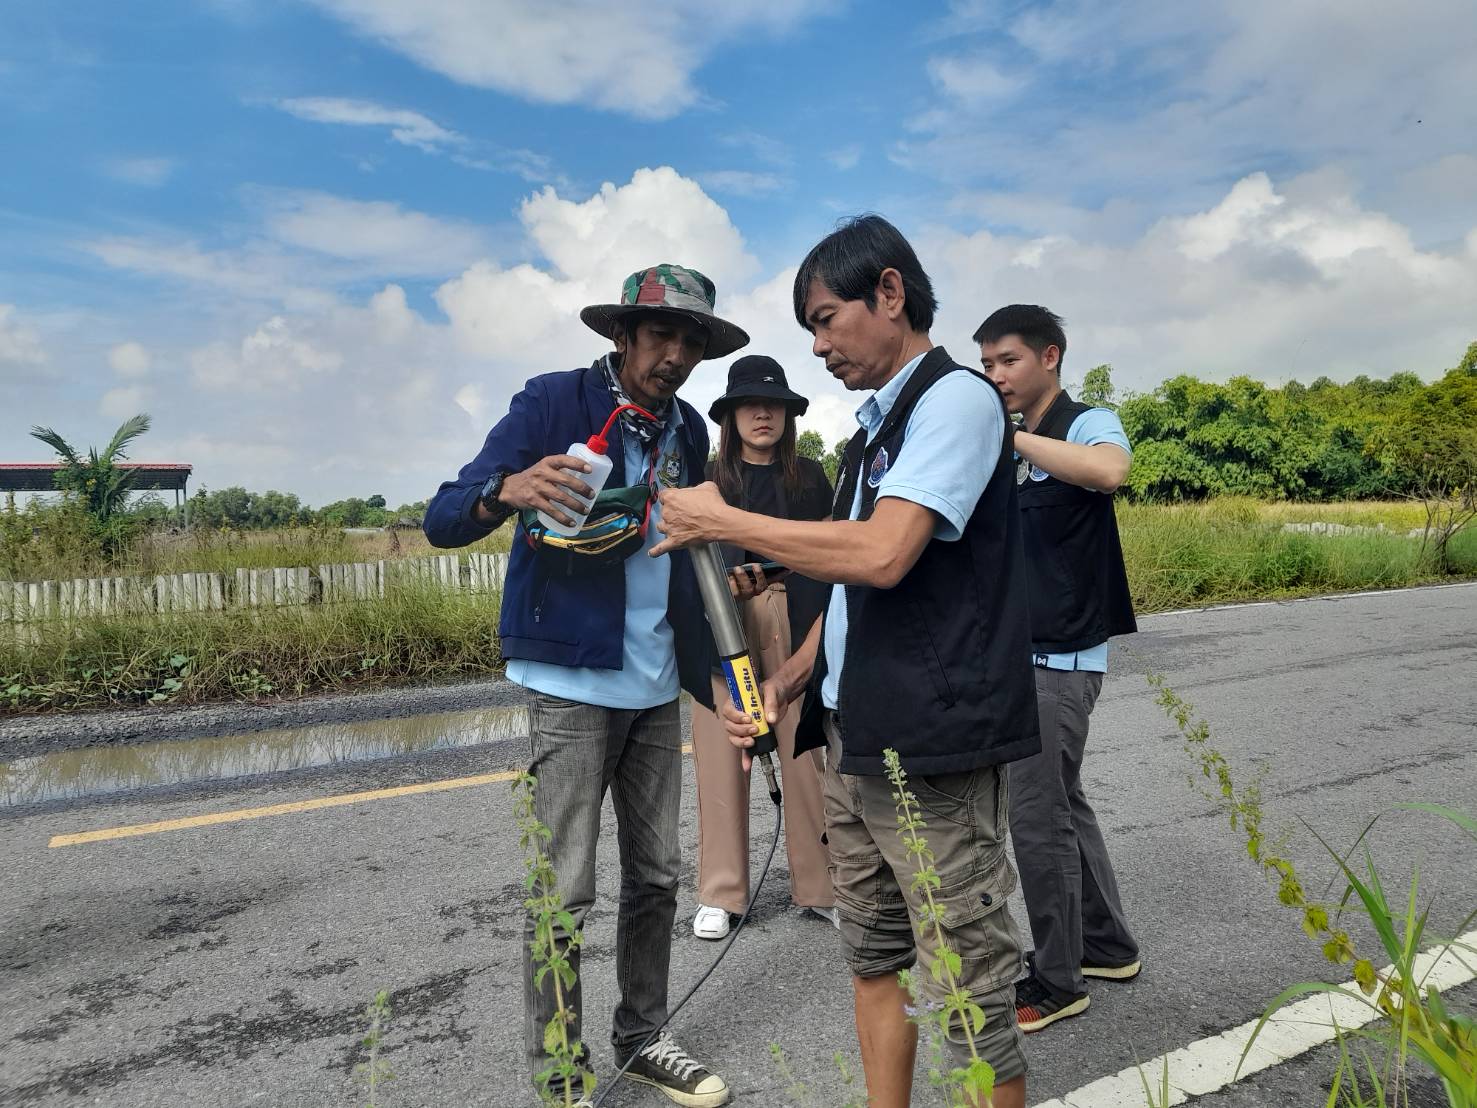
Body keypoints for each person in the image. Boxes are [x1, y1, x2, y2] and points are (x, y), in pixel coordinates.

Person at [652, 216, 1039, 1108]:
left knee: (965, 988)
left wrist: (722, 519)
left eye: (826, 320)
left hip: (932, 749)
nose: (819, 346)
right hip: (853, 740)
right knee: (874, 960)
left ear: (889, 293)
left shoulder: (953, 400)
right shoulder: (870, 435)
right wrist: (785, 685)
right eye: (810, 329)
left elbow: (883, 555)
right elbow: (845, 598)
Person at [423, 264, 746, 1108]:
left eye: (692, 343)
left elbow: (690, 562)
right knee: (563, 889)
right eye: (661, 335)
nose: (675, 356)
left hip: (653, 682)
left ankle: (641, 1038)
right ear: (622, 335)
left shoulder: (685, 431)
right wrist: (506, 489)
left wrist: (722, 677)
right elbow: (442, 516)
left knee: (658, 877)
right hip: (568, 681)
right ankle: (560, 1073)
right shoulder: (551, 402)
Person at [975, 304, 1141, 1034]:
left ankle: (1056, 980)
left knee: (1037, 818)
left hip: (1061, 657)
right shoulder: (1011, 449)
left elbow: (1109, 470)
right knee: (1063, 803)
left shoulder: (1083, 422)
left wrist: (1007, 435)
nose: (995, 375)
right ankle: (1106, 946)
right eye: (986, 364)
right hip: (1022, 653)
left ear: (1049, 357)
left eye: (1007, 360)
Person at [690, 354, 837, 942]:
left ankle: (821, 886)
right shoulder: (709, 479)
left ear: (787, 414)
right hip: (720, 618)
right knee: (721, 750)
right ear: (730, 415)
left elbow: (828, 555)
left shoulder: (811, 477)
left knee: (804, 751)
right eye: (749, 404)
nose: (762, 414)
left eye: (773, 404)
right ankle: (720, 892)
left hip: (794, 615)